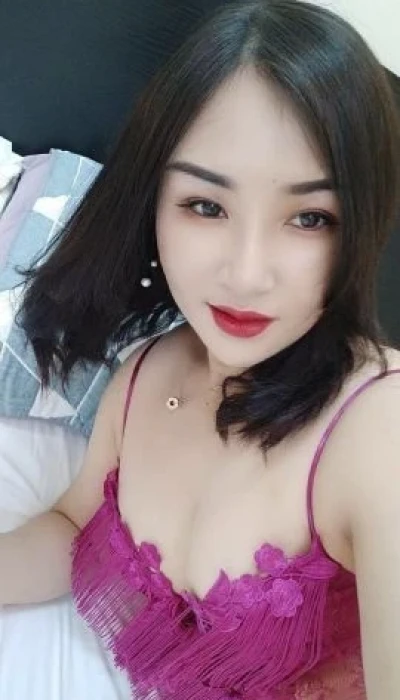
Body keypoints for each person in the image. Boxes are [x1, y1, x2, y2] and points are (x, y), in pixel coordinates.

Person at [1, 0, 400, 697]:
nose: (246, 274)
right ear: (154, 202)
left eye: (310, 217)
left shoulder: (378, 428)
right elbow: (73, 523)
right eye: (206, 206)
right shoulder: (146, 372)